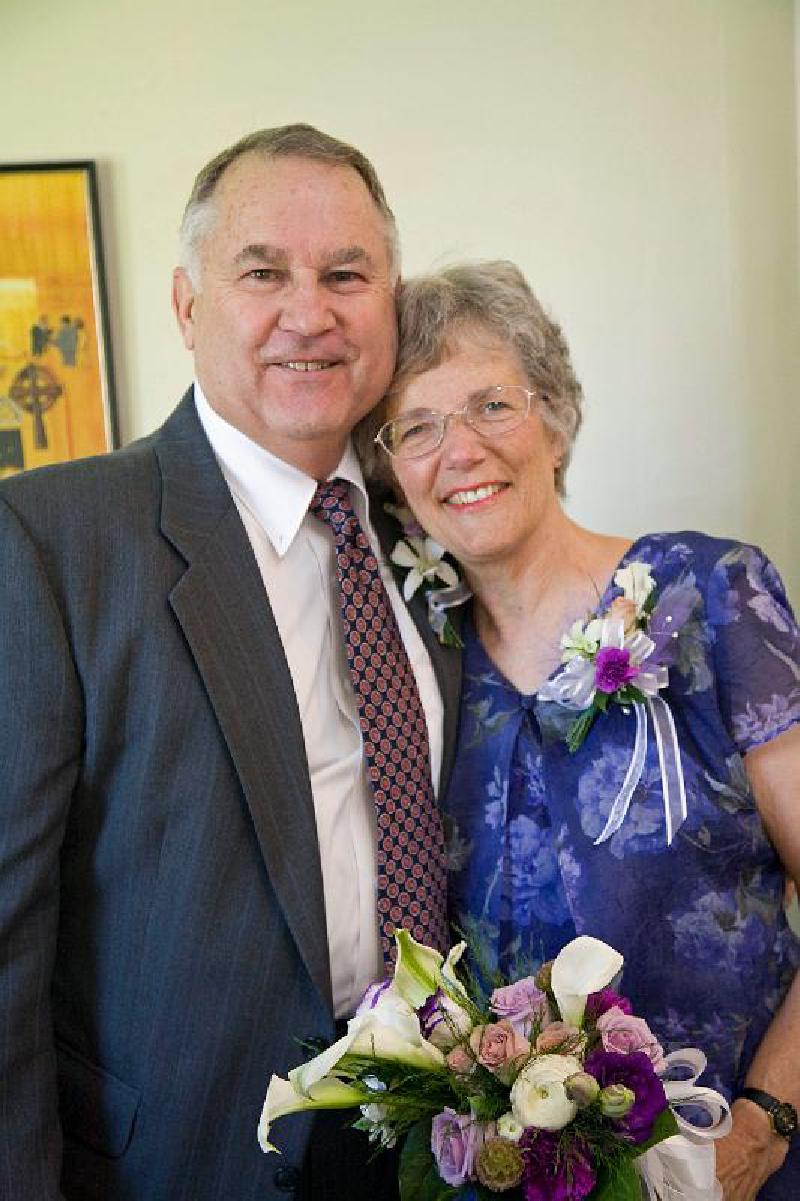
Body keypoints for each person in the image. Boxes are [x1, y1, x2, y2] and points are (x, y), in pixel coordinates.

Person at [0, 125, 461, 1201]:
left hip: (423, 1143)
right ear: (185, 304)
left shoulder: (429, 525)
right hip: (175, 1157)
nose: (310, 311)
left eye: (346, 274)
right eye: (263, 272)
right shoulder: (53, 541)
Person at [361, 260, 800, 1201]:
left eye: (490, 405)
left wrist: (765, 1129)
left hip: (739, 1166)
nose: (460, 450)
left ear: (555, 420)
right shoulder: (418, 668)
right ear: (393, 471)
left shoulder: (711, 598)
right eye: (419, 427)